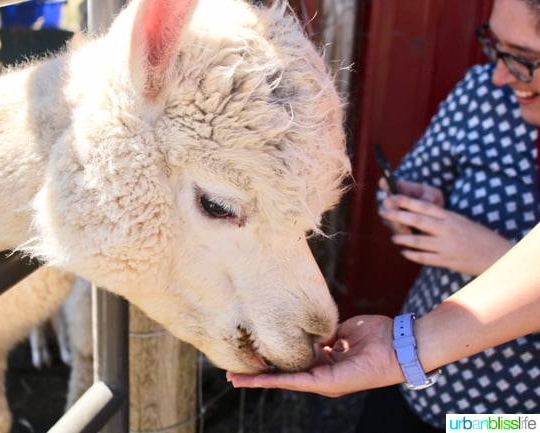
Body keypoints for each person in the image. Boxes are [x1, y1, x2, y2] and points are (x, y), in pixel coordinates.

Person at [230, 0, 540, 430]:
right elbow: (410, 178)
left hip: (515, 418)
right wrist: (408, 204)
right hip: (420, 382)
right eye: (494, 45)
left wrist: (488, 255)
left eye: (525, 59)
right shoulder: (485, 91)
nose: (501, 74)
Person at [225, 221, 540, 395]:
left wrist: (495, 257)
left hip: (513, 420)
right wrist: (398, 350)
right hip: (409, 388)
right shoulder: (481, 106)